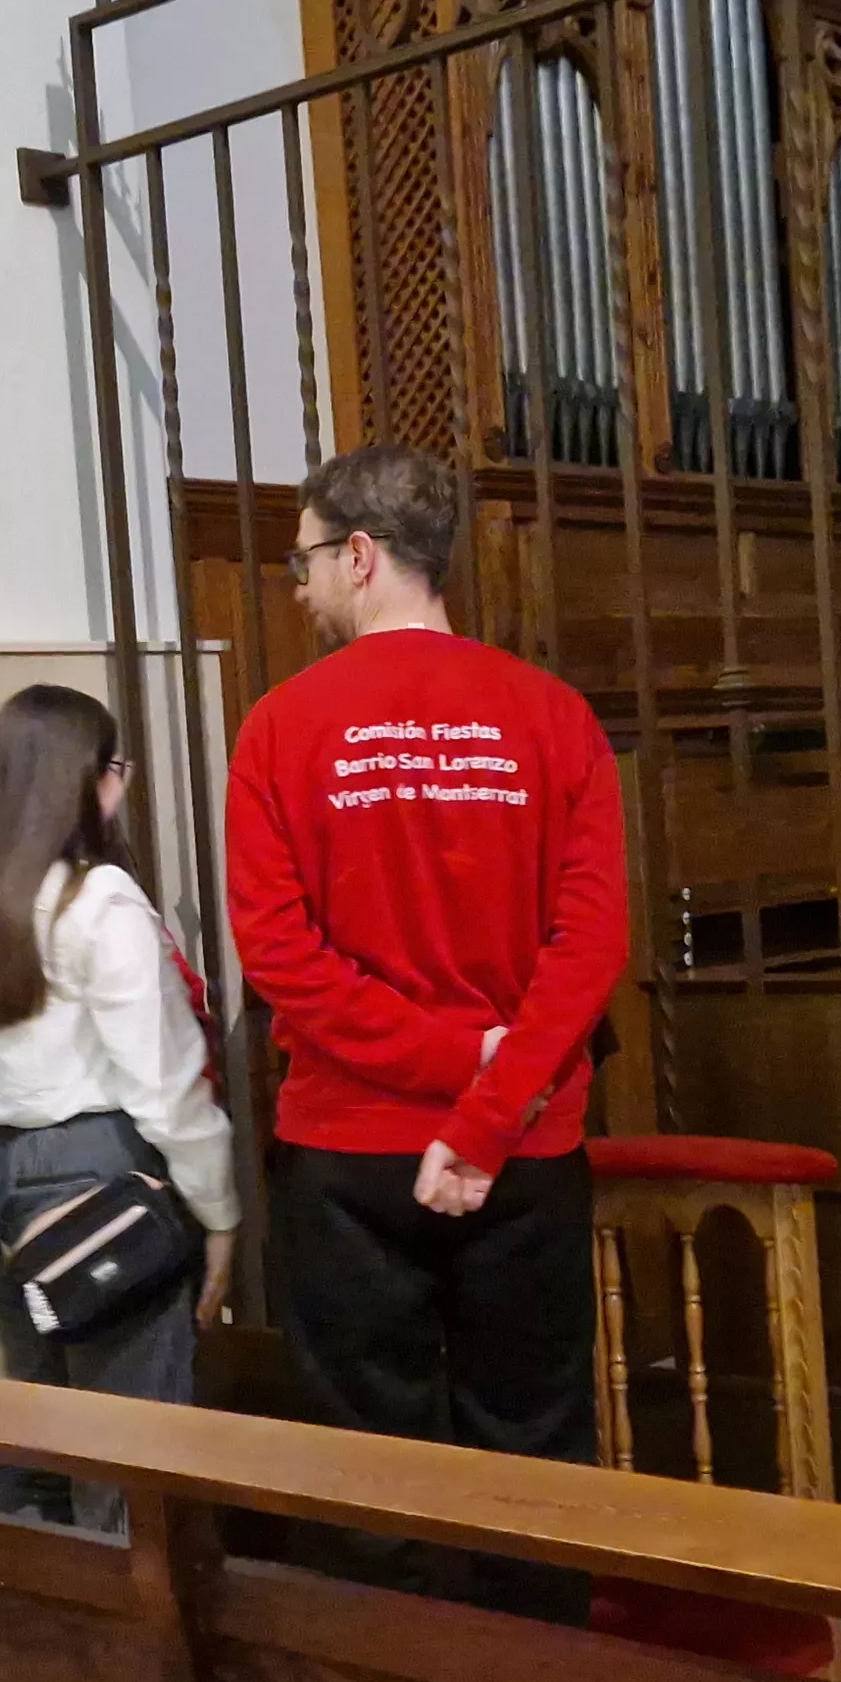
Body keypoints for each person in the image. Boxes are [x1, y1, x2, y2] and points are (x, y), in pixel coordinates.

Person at [225, 443, 627, 1621]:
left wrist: (452, 1077)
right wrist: (490, 1091)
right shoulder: (550, 716)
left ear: (359, 555)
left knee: (360, 1465)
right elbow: (590, 948)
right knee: (534, 1451)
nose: (297, 588)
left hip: (352, 1152)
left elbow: (281, 961)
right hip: (524, 1149)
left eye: (303, 560)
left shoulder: (282, 728)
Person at [0, 684, 237, 1534]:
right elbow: (165, 1087)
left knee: (45, 1440)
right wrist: (220, 1210)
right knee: (135, 1460)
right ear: (84, 781)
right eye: (117, 768)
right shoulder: (100, 903)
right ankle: (133, 1660)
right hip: (98, 1177)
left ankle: (33, 1642)